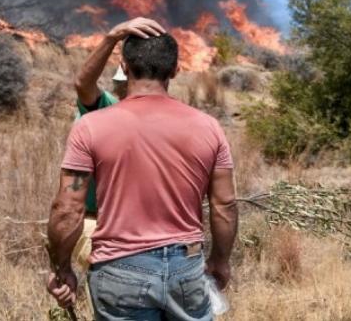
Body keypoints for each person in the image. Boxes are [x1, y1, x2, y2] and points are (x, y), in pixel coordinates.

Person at [47, 31, 239, 321]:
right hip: (186, 268)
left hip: (119, 270)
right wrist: (220, 261)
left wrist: (61, 270)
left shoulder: (91, 126)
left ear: (124, 66)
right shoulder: (209, 127)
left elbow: (67, 209)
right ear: (175, 69)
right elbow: (224, 205)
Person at [70, 17, 167, 273]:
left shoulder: (158, 116)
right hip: (99, 225)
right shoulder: (104, 107)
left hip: (142, 234)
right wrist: (112, 38)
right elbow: (83, 85)